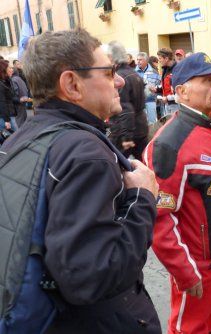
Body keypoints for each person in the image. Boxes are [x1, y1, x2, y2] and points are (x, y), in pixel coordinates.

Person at [1, 29, 161, 333]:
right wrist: (142, 197)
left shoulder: (27, 135)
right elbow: (91, 278)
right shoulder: (85, 153)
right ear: (72, 84)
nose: (120, 80)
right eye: (109, 71)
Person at [144, 52, 211, 334]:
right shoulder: (170, 143)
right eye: (208, 80)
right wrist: (184, 271)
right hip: (198, 267)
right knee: (190, 330)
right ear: (181, 91)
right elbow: (158, 218)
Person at [105, 41, 149, 159]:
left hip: (125, 131)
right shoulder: (133, 73)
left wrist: (126, 136)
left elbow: (126, 108)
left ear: (111, 57)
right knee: (144, 162)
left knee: (115, 164)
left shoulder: (119, 77)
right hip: (140, 127)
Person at [136, 52, 161, 124]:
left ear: (146, 61)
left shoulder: (154, 72)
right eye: (137, 60)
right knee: (141, 123)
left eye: (140, 60)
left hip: (151, 101)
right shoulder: (134, 72)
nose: (138, 61)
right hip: (139, 103)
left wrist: (156, 94)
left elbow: (159, 85)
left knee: (152, 123)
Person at [155, 47, 178, 116]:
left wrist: (168, 98)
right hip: (168, 105)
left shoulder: (177, 70)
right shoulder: (165, 69)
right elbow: (166, 86)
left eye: (160, 58)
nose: (159, 61)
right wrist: (156, 89)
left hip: (176, 105)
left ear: (166, 58)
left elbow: (181, 91)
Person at [0, 60, 18, 133]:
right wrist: (6, 120)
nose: (12, 70)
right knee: (15, 138)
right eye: (10, 68)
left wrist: (20, 99)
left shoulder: (6, 81)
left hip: (10, 114)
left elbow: (11, 97)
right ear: (4, 70)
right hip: (6, 117)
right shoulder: (1, 84)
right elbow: (2, 102)